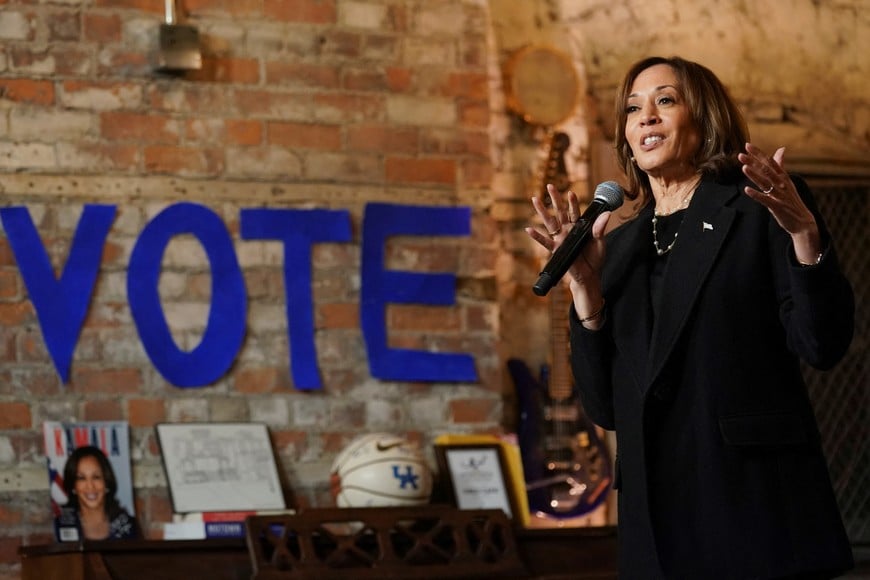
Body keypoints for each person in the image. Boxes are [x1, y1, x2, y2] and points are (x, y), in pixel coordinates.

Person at [526, 56, 854, 579]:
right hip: (654, 523)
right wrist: (586, 294)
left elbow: (823, 344)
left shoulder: (758, 208)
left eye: (666, 101)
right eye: (634, 108)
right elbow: (606, 407)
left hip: (750, 508)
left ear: (705, 120)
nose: (646, 117)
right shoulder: (619, 246)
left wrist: (805, 238)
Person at [61, 445, 140, 540]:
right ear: (73, 486)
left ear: (106, 482)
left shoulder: (128, 525)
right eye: (81, 478)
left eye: (96, 477)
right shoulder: (61, 525)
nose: (90, 486)